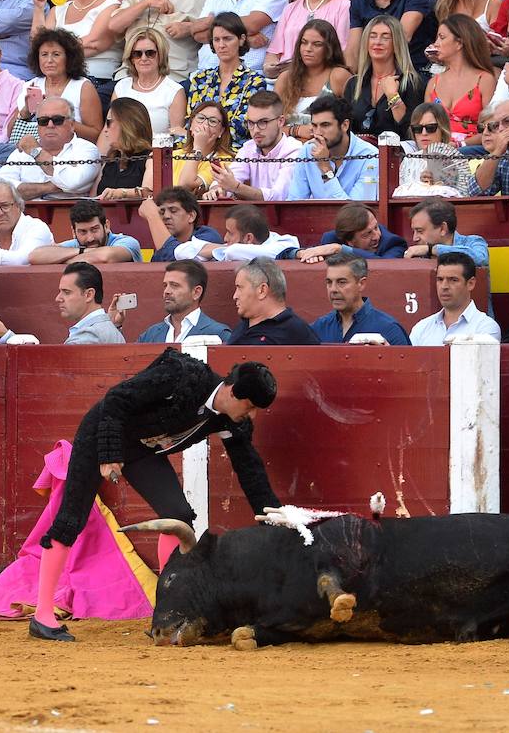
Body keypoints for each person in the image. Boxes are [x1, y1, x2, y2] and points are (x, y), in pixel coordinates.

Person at [27, 346, 278, 642]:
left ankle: (166, 612)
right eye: (249, 408)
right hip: (101, 435)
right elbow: (116, 399)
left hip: (143, 450)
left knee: (178, 515)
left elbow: (249, 469)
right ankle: (42, 615)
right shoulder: (183, 375)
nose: (250, 416)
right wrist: (109, 453)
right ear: (233, 392)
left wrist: (272, 517)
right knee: (70, 519)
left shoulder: (228, 420)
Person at [35, 0, 122, 101]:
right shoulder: (58, 9)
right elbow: (38, 44)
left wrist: (54, 54)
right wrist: (38, 8)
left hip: (95, 77)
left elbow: (93, 42)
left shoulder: (110, 5)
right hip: (55, 77)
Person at [0, 96, 103, 199]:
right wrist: (49, 187)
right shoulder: (22, 151)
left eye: (57, 120)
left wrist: (36, 152)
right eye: (43, 121)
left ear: (72, 125)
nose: (50, 125)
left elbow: (73, 182)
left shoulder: (87, 149)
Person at [186, 13, 268, 144]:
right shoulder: (200, 79)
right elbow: (191, 120)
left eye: (227, 39)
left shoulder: (255, 81)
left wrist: (207, 133)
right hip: (196, 145)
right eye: (216, 40)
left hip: (234, 151)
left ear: (241, 39)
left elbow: (245, 126)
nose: (221, 45)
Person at [15, 28, 104, 142]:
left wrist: (62, 120)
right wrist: (25, 112)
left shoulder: (83, 87)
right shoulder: (30, 85)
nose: (49, 60)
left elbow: (95, 134)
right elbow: (11, 133)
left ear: (69, 58)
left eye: (56, 54)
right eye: (44, 54)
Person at [344, 14, 425, 138]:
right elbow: (345, 129)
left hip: (396, 153)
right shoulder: (353, 84)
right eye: (373, 36)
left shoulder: (411, 82)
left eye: (385, 37)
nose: (377, 42)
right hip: (359, 154)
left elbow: (410, 132)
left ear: (396, 43)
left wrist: (393, 97)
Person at [211, 90, 301, 199]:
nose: (256, 130)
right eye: (251, 123)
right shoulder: (248, 147)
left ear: (280, 121)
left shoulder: (294, 150)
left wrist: (236, 187)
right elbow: (233, 177)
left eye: (263, 122)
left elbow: (278, 196)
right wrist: (217, 189)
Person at [287, 93, 380, 200]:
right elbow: (294, 202)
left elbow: (358, 212)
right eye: (314, 125)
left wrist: (326, 169)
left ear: (345, 125)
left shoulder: (370, 157)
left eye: (325, 125)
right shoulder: (308, 150)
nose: (318, 132)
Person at [426, 14, 498, 145]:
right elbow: (424, 127)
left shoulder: (484, 80)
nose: (436, 44)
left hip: (472, 152)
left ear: (459, 43)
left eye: (441, 37)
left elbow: (492, 129)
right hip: (436, 151)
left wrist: (460, 145)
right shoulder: (433, 83)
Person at [310, 251, 411, 344]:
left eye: (341, 282)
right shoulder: (319, 328)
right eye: (329, 282)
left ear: (361, 284)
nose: (333, 289)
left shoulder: (389, 329)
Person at [121, 260, 233, 342]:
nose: (167, 291)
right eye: (165, 285)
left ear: (196, 292)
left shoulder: (218, 334)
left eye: (175, 285)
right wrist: (116, 325)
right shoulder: (151, 334)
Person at [408, 252, 501, 345]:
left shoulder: (486, 327)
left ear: (470, 284)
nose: (444, 286)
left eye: (453, 280)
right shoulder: (421, 327)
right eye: (440, 279)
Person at [112, 27, 187, 139]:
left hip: (156, 153)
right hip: (122, 153)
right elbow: (110, 128)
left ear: (160, 55)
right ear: (131, 58)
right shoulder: (121, 87)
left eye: (150, 53)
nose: (143, 58)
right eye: (137, 54)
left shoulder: (174, 91)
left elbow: (177, 135)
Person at [227, 257, 321, 344]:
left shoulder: (296, 333)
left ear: (262, 290)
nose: (235, 296)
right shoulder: (242, 327)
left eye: (240, 288)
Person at [274, 18, 353, 118]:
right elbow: (272, 124)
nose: (308, 49)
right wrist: (297, 130)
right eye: (304, 42)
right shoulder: (285, 78)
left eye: (317, 44)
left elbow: (353, 120)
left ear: (329, 48)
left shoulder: (339, 75)